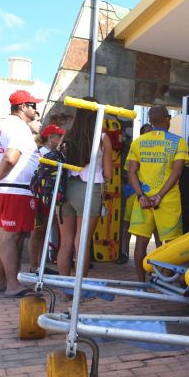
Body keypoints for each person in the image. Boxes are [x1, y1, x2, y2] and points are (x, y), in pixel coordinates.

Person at [0, 89, 42, 297]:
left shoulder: (3, 126)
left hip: (8, 188)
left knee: (4, 236)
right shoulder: (18, 127)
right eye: (32, 105)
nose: (36, 109)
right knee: (11, 237)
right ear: (22, 107)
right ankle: (12, 285)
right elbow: (10, 157)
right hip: (15, 188)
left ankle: (2, 282)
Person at [127, 105, 188, 282]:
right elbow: (177, 173)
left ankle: (141, 283)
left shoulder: (138, 142)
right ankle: (166, 281)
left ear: (150, 121)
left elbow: (131, 172)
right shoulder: (178, 141)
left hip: (143, 201)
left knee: (141, 242)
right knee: (169, 245)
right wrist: (159, 195)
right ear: (167, 119)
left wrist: (141, 196)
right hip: (167, 200)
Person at [57, 98, 113, 279]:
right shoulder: (103, 138)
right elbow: (109, 174)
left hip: (65, 190)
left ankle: (66, 291)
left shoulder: (67, 135)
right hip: (89, 190)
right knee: (81, 243)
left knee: (65, 243)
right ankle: (79, 290)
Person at [30, 124, 66, 273]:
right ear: (51, 137)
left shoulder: (55, 154)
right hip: (39, 198)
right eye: (59, 136)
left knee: (43, 231)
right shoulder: (39, 154)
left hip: (48, 197)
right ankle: (34, 266)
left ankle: (40, 265)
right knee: (38, 231)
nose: (61, 139)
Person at [116, 123, 153, 264]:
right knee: (127, 224)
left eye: (152, 131)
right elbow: (127, 172)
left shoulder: (159, 149)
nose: (150, 134)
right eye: (147, 132)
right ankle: (124, 253)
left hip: (153, 194)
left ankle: (157, 256)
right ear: (141, 134)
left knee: (153, 228)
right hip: (134, 193)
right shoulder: (135, 148)